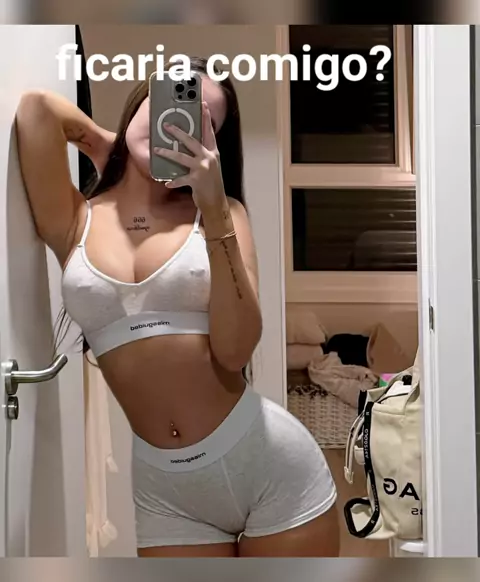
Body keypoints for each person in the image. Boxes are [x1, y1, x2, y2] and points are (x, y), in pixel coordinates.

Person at [15, 56, 340, 557]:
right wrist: (107, 144)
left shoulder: (222, 216)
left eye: (199, 121)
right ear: (142, 97)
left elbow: (235, 351)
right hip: (165, 494)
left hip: (268, 468)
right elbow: (37, 110)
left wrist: (214, 208)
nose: (175, 123)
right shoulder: (76, 218)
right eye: (171, 100)